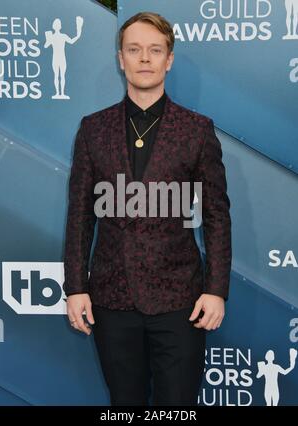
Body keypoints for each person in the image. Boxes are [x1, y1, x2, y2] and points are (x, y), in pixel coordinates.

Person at [63, 11, 232, 406]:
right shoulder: (93, 129)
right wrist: (75, 286)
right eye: (134, 50)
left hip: (180, 301)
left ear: (168, 59)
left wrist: (216, 289)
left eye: (154, 50)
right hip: (111, 298)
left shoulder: (197, 130)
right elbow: (79, 215)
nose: (144, 58)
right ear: (120, 58)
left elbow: (217, 216)